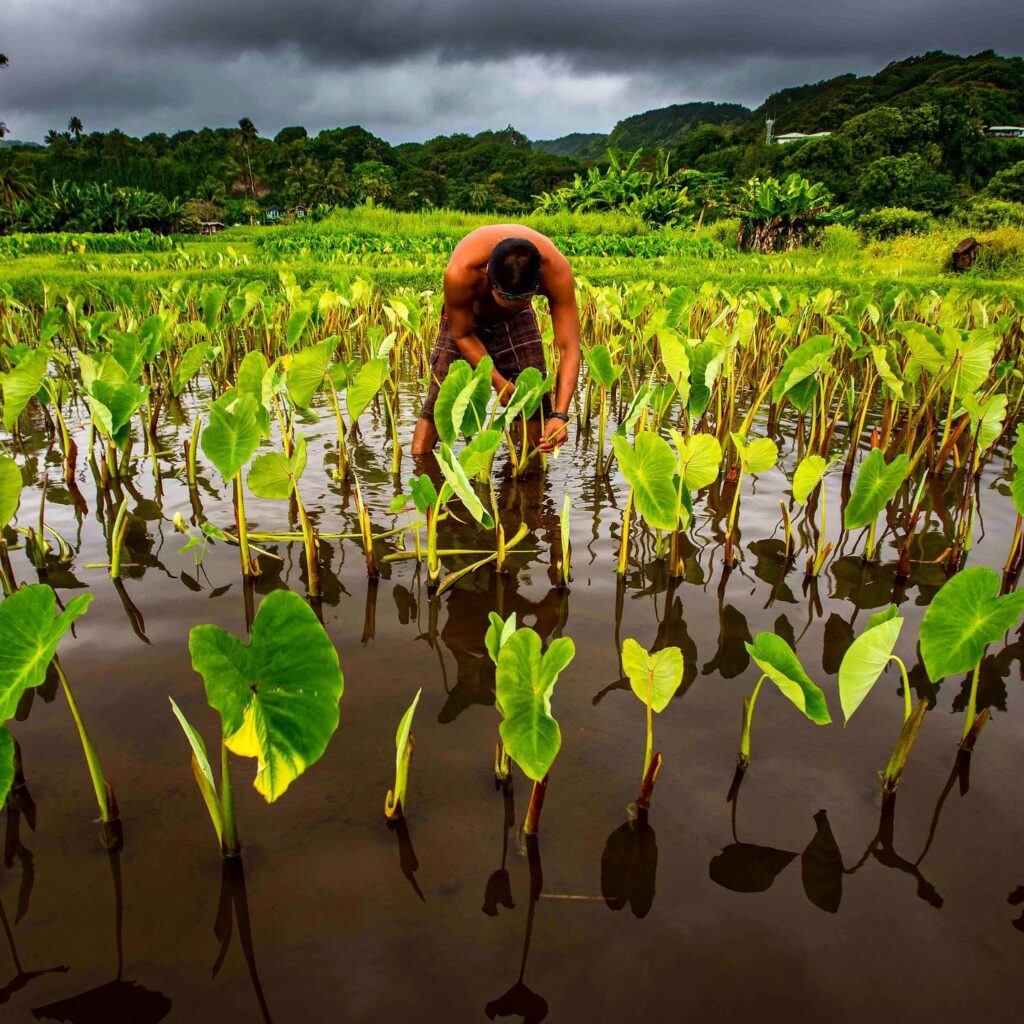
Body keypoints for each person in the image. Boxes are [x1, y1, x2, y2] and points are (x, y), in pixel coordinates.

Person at [411, 225, 581, 457]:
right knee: (439, 399)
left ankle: (529, 471)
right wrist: (498, 380)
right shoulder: (462, 271)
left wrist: (560, 415)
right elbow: (463, 335)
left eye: (521, 301)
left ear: (537, 284)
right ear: (488, 274)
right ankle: (420, 463)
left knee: (533, 400)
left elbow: (569, 348)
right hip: (466, 318)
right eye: (505, 301)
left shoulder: (556, 270)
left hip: (517, 320)